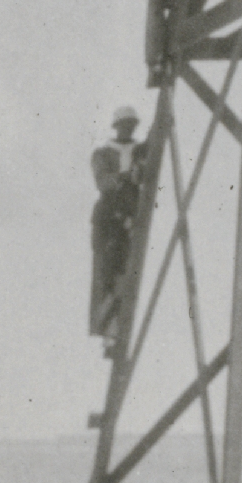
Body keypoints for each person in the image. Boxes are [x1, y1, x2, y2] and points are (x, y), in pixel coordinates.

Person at [89, 106, 147, 353]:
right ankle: (109, 332)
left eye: (131, 125)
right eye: (124, 125)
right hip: (108, 219)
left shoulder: (141, 150)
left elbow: (145, 170)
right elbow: (103, 182)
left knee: (126, 273)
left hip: (131, 218)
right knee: (107, 274)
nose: (128, 129)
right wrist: (127, 176)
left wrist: (138, 172)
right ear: (116, 127)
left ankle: (118, 328)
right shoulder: (102, 153)